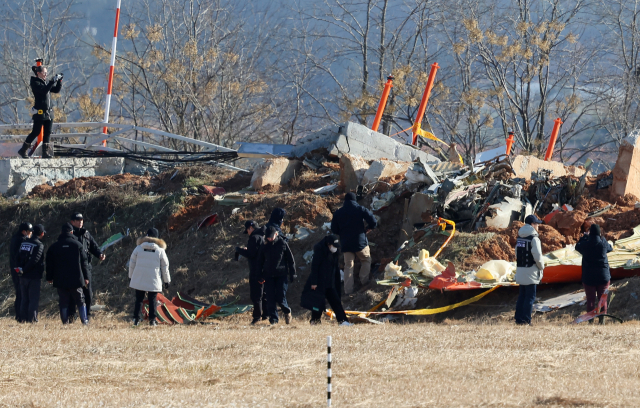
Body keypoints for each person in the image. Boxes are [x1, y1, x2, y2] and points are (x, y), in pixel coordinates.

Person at [330, 192, 377, 295]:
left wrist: (342, 233)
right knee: (366, 259)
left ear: (345, 201)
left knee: (348, 266)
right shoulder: (360, 209)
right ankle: (364, 281)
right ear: (355, 200)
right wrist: (368, 228)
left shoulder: (338, 213)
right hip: (360, 242)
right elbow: (373, 221)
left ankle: (348, 290)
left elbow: (334, 229)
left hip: (346, 244)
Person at [301, 235, 352, 326]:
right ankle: (315, 321)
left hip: (330, 283)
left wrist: (337, 281)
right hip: (319, 283)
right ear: (328, 245)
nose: (335, 248)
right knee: (318, 303)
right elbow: (314, 267)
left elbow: (335, 268)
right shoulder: (319, 251)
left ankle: (343, 321)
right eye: (334, 246)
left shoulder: (334, 253)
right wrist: (314, 282)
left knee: (336, 302)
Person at [46, 223, 90, 325]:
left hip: (60, 279)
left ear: (61, 232)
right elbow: (84, 263)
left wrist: (49, 277)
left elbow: (49, 264)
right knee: (80, 299)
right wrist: (86, 277)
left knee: (63, 301)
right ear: (71, 232)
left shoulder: (54, 247)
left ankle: (65, 322)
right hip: (76, 278)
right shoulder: (78, 245)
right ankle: (84, 321)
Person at [17, 62, 63, 159]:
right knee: (36, 132)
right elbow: (44, 91)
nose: (46, 74)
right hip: (40, 113)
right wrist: (52, 81)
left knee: (48, 132)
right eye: (44, 72)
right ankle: (23, 149)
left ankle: (45, 152)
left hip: (48, 113)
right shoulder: (35, 82)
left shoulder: (45, 82)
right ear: (38, 73)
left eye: (46, 72)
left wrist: (59, 81)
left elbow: (55, 90)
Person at [129, 228, 170, 327]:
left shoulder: (138, 248)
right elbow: (165, 267)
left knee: (139, 299)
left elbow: (131, 264)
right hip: (153, 278)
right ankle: (152, 320)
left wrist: (130, 276)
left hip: (139, 278)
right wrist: (166, 280)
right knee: (152, 300)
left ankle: (136, 319)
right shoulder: (160, 251)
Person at [68, 212, 105, 322]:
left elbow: (94, 247)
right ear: (72, 222)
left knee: (88, 293)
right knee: (72, 293)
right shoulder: (69, 234)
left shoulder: (86, 234)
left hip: (86, 267)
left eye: (82, 220)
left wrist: (99, 254)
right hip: (73, 268)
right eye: (78, 220)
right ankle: (72, 315)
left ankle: (86, 315)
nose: (80, 222)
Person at [258, 226, 296, 325]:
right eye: (267, 237)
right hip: (268, 275)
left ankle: (287, 311)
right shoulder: (265, 245)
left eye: (271, 237)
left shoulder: (282, 243)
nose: (269, 239)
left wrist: (293, 273)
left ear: (276, 234)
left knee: (280, 296)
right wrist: (260, 275)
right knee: (270, 298)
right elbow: (260, 261)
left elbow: (290, 260)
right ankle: (274, 320)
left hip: (281, 275)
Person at [576, 223, 613, 323]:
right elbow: (610, 248)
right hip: (603, 277)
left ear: (590, 233)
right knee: (602, 299)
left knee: (590, 300)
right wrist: (602, 238)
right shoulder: (603, 244)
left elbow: (577, 247)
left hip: (589, 277)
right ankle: (602, 321)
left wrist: (584, 237)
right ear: (599, 233)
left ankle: (590, 321)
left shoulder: (585, 245)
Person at [514, 215, 545, 325]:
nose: (538, 226)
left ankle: (518, 319)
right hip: (531, 271)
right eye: (537, 224)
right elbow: (537, 256)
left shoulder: (520, 238)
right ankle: (527, 320)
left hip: (521, 270)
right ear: (532, 225)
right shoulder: (534, 239)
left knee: (522, 296)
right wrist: (542, 267)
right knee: (530, 298)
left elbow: (517, 253)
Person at [235, 220, 268, 324]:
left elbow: (251, 254)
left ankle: (256, 317)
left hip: (256, 270)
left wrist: (239, 250)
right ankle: (266, 315)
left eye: (247, 230)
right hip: (264, 269)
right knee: (264, 294)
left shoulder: (254, 238)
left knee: (256, 295)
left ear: (250, 228)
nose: (247, 232)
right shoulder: (262, 237)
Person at [17, 224, 46, 323]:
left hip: (23, 276)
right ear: (42, 233)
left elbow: (18, 257)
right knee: (33, 298)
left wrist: (20, 269)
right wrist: (25, 269)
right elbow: (35, 260)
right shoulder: (39, 245)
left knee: (24, 298)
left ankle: (23, 319)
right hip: (33, 276)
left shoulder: (24, 243)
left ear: (32, 232)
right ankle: (32, 319)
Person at [9, 222, 33, 322]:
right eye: (30, 231)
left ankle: (19, 315)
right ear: (24, 232)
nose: (31, 233)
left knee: (19, 293)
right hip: (19, 270)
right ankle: (21, 316)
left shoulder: (14, 238)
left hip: (15, 269)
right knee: (22, 294)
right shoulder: (22, 240)